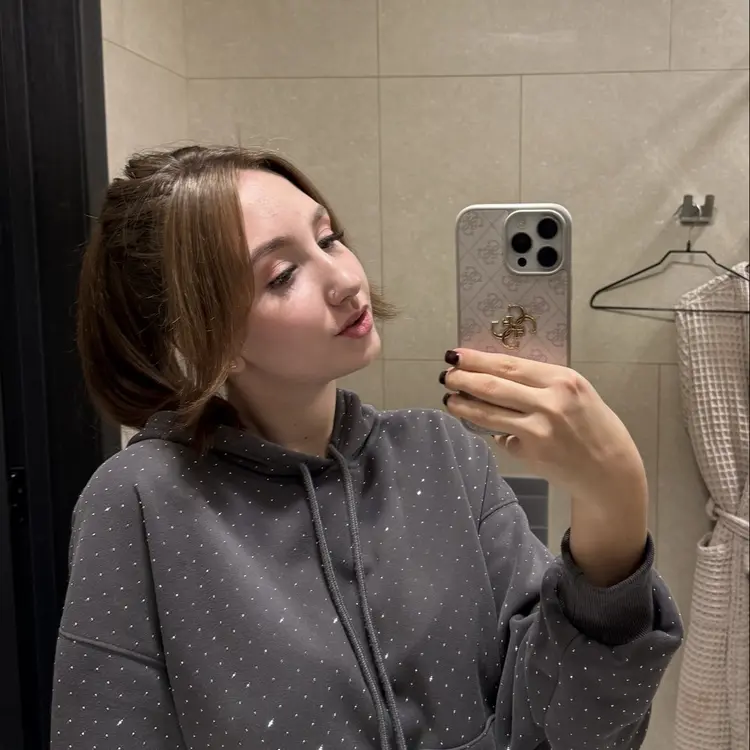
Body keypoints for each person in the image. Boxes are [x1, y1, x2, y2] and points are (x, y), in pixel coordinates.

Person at [52, 145, 683, 750]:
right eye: (282, 274)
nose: (345, 279)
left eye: (328, 238)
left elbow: (576, 730)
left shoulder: (442, 456)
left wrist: (614, 499)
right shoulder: (141, 502)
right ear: (198, 337)